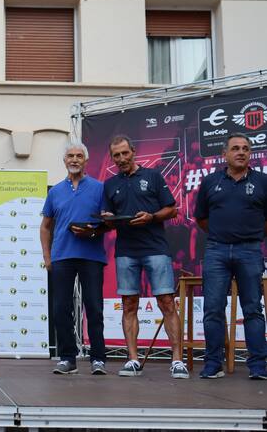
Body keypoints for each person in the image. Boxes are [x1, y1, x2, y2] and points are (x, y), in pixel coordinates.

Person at [103, 135, 188, 379]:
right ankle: (132, 359)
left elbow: (171, 209)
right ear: (112, 158)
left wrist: (152, 217)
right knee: (129, 305)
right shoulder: (110, 184)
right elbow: (108, 217)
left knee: (167, 302)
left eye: (125, 153)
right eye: (116, 155)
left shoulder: (153, 176)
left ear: (133, 151)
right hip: (126, 251)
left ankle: (177, 360)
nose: (121, 158)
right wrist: (107, 219)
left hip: (155, 248)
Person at [194, 133, 267, 380]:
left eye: (245, 148)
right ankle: (213, 365)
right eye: (235, 148)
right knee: (213, 309)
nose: (241, 152)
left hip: (250, 250)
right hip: (217, 250)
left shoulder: (263, 181)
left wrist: (250, 235)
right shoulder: (210, 181)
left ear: (250, 153)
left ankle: (258, 366)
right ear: (224, 154)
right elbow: (201, 218)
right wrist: (223, 234)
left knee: (252, 309)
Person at [40, 142, 108, 375]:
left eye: (79, 156)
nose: (75, 160)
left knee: (94, 308)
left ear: (86, 161)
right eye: (70, 156)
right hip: (62, 256)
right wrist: (47, 256)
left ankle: (98, 358)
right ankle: (67, 358)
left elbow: (107, 222)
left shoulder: (100, 188)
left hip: (92, 256)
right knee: (61, 308)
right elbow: (45, 227)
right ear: (64, 160)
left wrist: (93, 231)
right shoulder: (55, 191)